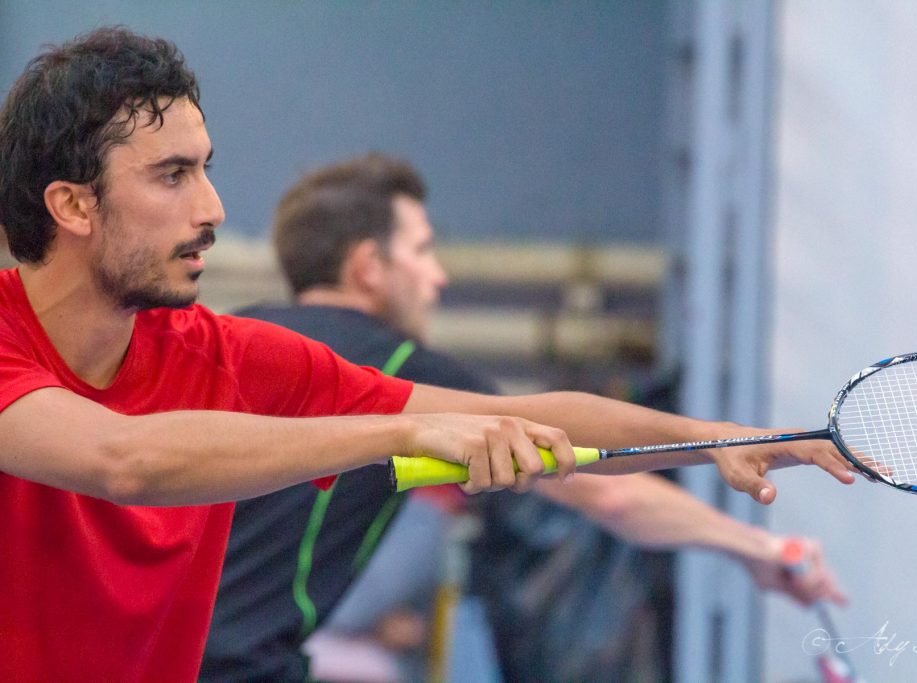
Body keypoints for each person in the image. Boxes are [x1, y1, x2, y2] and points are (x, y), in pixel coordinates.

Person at [0, 27, 853, 681]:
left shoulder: (228, 352)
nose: (215, 206)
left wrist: (712, 435)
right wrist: (397, 433)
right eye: (172, 175)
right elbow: (126, 460)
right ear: (73, 204)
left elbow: (523, 416)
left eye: (208, 169)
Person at [200, 154, 848, 681]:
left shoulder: (226, 336)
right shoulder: (399, 368)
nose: (438, 275)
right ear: (369, 267)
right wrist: (756, 543)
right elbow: (611, 490)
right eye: (422, 251)